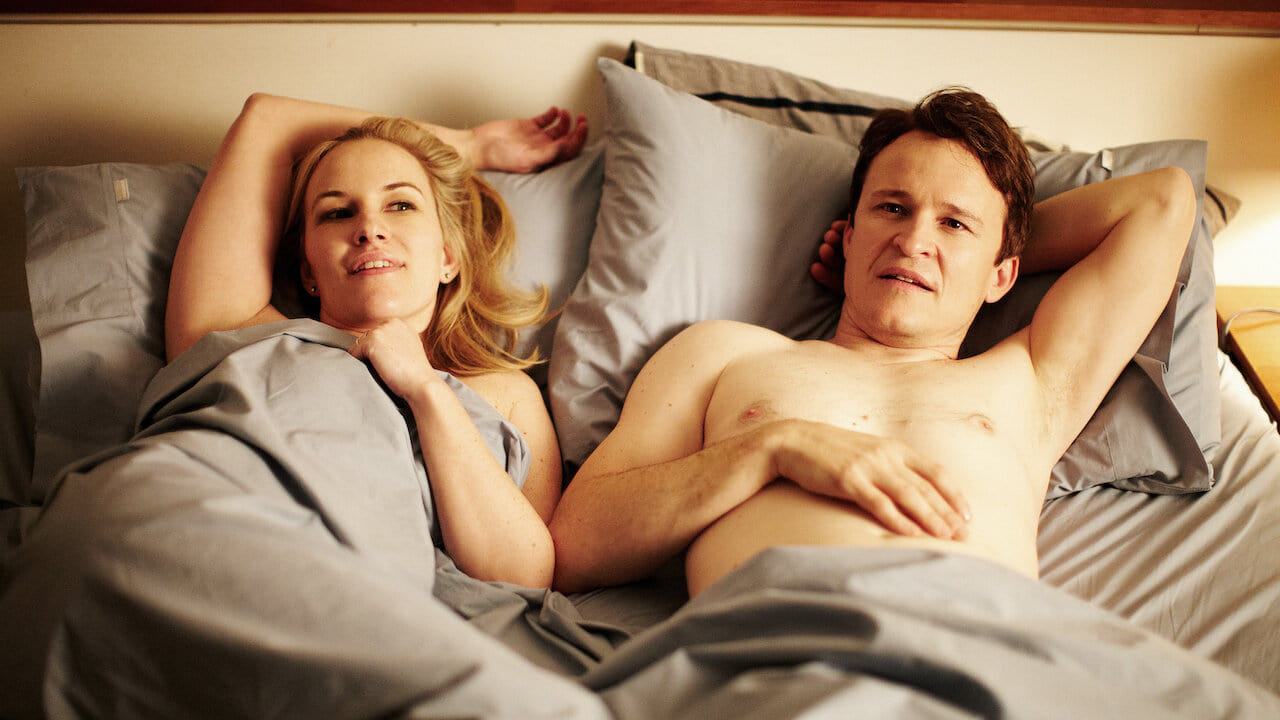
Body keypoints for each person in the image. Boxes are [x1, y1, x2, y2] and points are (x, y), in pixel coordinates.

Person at [548, 87, 1195, 597]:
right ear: (850, 235)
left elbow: (1162, 201)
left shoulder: (1033, 377)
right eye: (892, 209)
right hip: (780, 649)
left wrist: (974, 259)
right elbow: (576, 547)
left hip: (977, 651)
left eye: (953, 222)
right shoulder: (723, 354)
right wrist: (773, 447)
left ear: (1005, 274)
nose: (912, 240)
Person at [166, 93, 587, 588]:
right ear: (308, 271)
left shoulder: (509, 395)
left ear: (448, 257)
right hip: (194, 545)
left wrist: (425, 391)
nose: (369, 228)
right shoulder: (239, 334)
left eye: (401, 204)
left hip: (365, 601)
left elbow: (524, 576)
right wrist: (469, 145)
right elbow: (265, 119)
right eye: (337, 213)